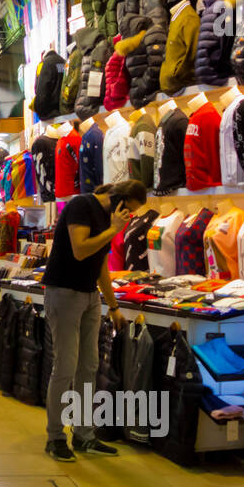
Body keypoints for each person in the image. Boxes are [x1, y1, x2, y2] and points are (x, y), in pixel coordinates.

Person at [42, 180, 148, 461]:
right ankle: (55, 437)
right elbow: (80, 249)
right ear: (119, 199)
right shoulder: (81, 205)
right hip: (64, 292)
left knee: (89, 366)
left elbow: (100, 262)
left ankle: (84, 434)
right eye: (129, 209)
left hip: (89, 296)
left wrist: (112, 305)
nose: (129, 216)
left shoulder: (107, 217)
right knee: (64, 366)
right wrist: (114, 230)